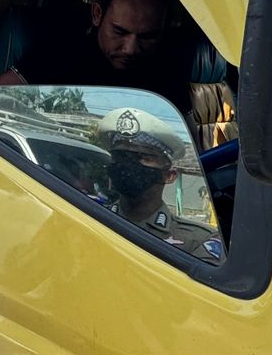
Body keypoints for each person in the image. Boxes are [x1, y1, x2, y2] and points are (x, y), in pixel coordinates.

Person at [0, 0, 189, 105]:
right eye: (119, 31)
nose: (130, 49)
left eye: (148, 37)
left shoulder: (167, 67)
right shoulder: (62, 54)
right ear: (97, 15)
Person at [95, 107, 222, 261]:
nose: (128, 164)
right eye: (120, 156)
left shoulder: (197, 240)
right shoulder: (89, 217)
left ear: (169, 175)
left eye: (144, 157)